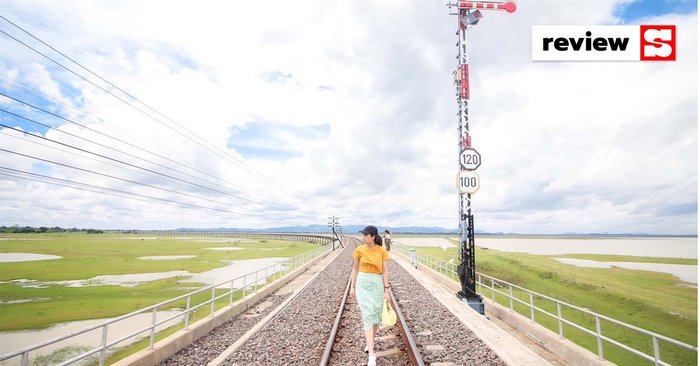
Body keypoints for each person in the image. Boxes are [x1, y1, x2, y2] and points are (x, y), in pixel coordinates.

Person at [350, 225, 391, 366]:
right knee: (367, 315)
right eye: (363, 235)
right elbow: (355, 268)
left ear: (373, 236)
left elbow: (385, 270)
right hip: (363, 283)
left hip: (377, 283)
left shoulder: (381, 251)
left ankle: (370, 342)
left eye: (366, 235)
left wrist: (387, 289)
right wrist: (352, 286)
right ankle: (372, 354)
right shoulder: (359, 249)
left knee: (376, 316)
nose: (363, 237)